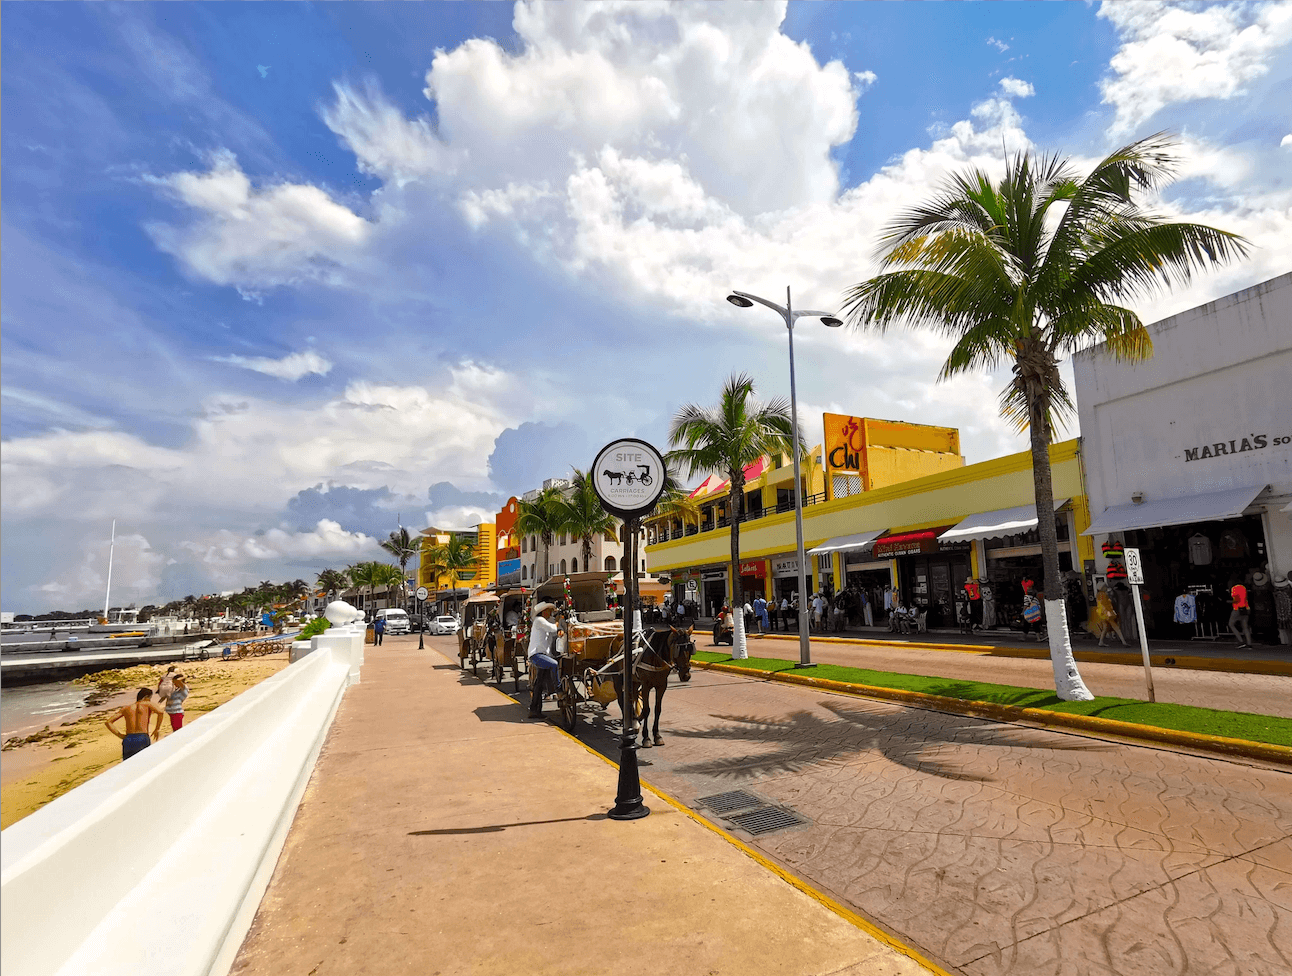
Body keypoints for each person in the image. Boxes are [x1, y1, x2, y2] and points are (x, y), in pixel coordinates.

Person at [104, 688, 167, 761]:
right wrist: (157, 729)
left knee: (129, 764)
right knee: (143, 763)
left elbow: (108, 722)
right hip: (142, 737)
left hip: (128, 738)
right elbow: (160, 712)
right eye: (150, 698)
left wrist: (120, 735)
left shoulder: (126, 708)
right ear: (146, 697)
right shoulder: (147, 704)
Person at [526, 602, 563, 718]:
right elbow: (553, 628)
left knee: (539, 684)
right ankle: (558, 688)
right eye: (548, 611)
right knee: (554, 664)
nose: (550, 613)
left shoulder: (543, 621)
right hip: (536, 655)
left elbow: (553, 633)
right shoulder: (539, 620)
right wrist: (559, 622)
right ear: (543, 612)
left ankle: (534, 709)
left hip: (542, 654)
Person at [1229, 578, 1253, 648]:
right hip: (1245, 607)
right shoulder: (1243, 588)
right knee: (1245, 627)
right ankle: (1249, 643)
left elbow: (1236, 599)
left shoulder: (1234, 588)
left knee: (1231, 624)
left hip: (1237, 608)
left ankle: (1241, 641)